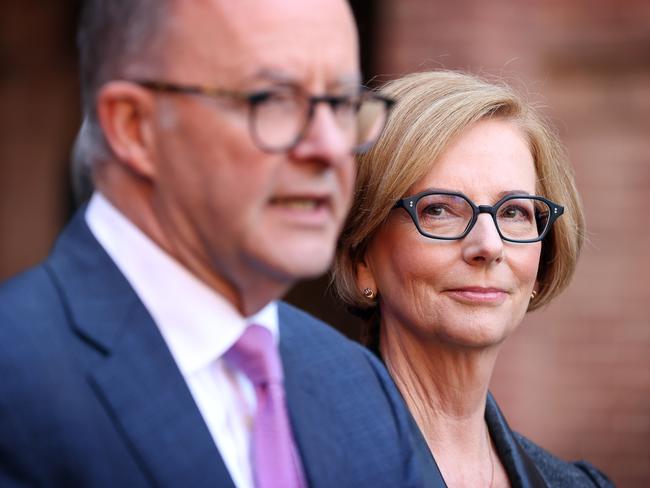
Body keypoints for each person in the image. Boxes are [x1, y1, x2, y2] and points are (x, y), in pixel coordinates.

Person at [0, 2, 445, 487]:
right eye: (274, 99)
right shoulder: (17, 372)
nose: (329, 147)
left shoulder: (359, 388)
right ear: (134, 126)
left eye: (340, 105)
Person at [334, 70, 613, 487]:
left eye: (514, 212)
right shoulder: (293, 461)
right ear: (362, 259)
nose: (488, 245)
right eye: (439, 210)